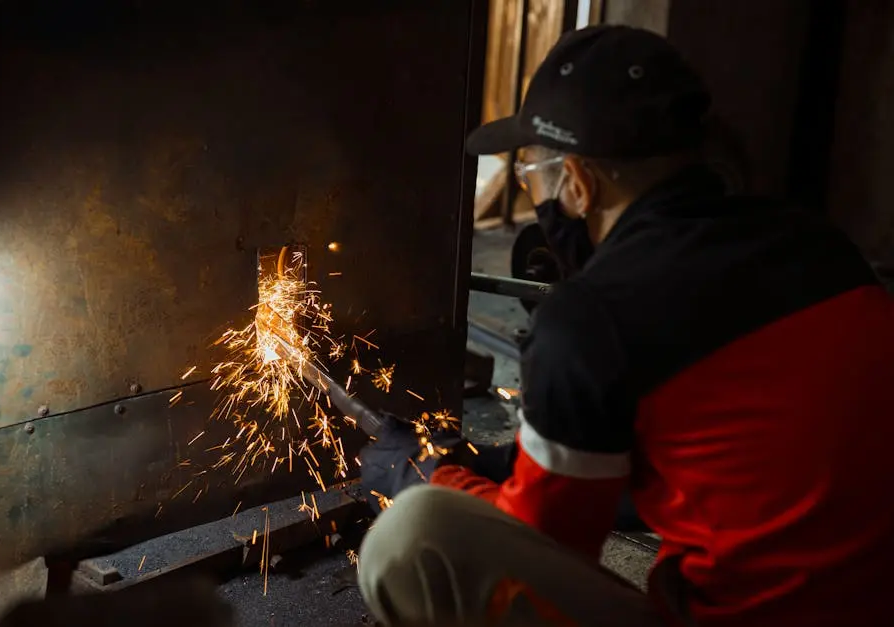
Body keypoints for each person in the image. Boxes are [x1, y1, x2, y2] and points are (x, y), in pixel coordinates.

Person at [356, 24, 894, 627]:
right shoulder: (820, 245)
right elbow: (709, 454)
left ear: (580, 181)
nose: (539, 197)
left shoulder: (592, 318)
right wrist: (497, 463)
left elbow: (543, 543)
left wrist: (421, 475)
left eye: (534, 175)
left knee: (412, 535)